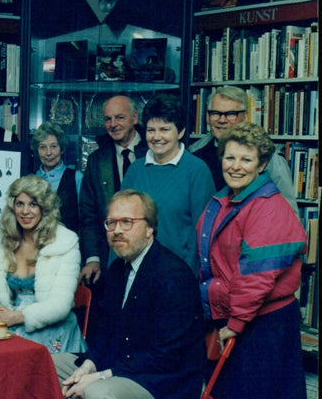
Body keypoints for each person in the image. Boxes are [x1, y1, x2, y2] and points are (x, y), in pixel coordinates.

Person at [45, 189, 205, 399]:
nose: (116, 230)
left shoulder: (173, 276)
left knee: (100, 395)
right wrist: (89, 366)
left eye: (127, 222)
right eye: (111, 222)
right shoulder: (119, 267)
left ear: (150, 228)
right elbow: (106, 331)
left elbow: (164, 357)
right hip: (125, 366)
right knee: (48, 366)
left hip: (166, 381)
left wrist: (101, 377)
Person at [196, 122, 307, 399]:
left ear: (262, 165)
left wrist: (235, 324)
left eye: (247, 159)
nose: (236, 165)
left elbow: (256, 275)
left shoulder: (268, 207)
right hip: (240, 319)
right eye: (230, 157)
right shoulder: (228, 199)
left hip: (265, 325)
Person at [0, 175, 85, 354]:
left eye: (33, 204)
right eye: (20, 204)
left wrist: (17, 316)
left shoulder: (65, 241)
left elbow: (61, 305)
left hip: (51, 327)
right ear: (13, 207)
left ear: (45, 208)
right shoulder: (5, 240)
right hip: (9, 321)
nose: (25, 211)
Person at [121, 93, 215, 273]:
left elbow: (202, 234)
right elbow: (121, 224)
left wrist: (189, 276)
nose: (157, 137)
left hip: (180, 273)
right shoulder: (135, 170)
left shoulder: (196, 171)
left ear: (180, 132)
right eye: (151, 130)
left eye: (164, 129)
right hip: (137, 271)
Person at [189, 85, 298, 214]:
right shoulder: (195, 153)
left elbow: (288, 212)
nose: (222, 120)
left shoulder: (268, 157)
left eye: (230, 114)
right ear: (207, 116)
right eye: (215, 113)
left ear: (245, 116)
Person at [78, 95, 147, 286]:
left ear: (134, 117)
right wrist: (93, 259)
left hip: (148, 255)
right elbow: (89, 214)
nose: (113, 124)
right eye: (108, 119)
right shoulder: (96, 161)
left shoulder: (152, 152)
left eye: (120, 117)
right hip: (110, 258)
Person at [32, 122, 82, 233]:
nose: (48, 153)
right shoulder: (30, 179)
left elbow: (85, 219)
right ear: (37, 151)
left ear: (62, 149)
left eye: (53, 146)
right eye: (43, 147)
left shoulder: (77, 178)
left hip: (67, 245)